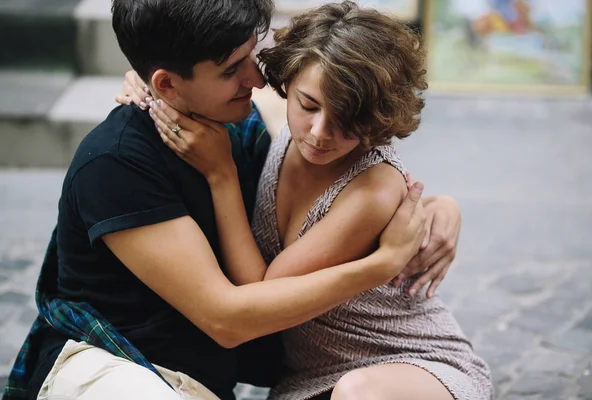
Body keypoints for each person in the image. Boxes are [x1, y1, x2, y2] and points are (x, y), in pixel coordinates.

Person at [1, 2, 459, 400]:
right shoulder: (117, 162)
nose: (256, 78)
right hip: (108, 363)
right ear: (165, 85)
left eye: (251, 55)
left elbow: (356, 182)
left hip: (343, 365)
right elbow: (229, 318)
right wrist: (383, 262)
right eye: (230, 69)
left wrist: (438, 205)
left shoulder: (241, 125)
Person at [129, 2, 493, 399]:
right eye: (308, 105)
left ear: (375, 115)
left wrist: (222, 176)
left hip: (410, 365)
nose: (319, 133)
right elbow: (193, 83)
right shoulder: (282, 127)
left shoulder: (373, 190)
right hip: (311, 380)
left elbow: (260, 293)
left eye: (345, 118)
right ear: (287, 82)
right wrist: (143, 81)